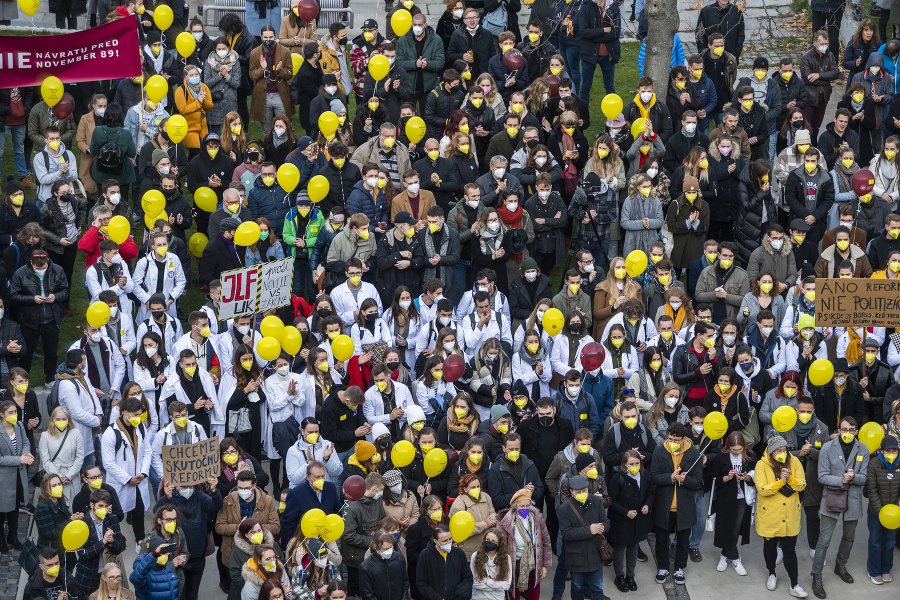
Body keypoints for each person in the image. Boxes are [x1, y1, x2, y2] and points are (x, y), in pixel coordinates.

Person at [810, 416, 868, 598]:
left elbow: (864, 478)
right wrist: (842, 480)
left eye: (851, 430)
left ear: (856, 431)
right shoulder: (827, 448)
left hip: (854, 499)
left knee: (849, 537)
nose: (847, 433)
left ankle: (840, 565)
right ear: (839, 430)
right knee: (824, 540)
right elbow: (822, 476)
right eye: (844, 429)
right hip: (832, 497)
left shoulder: (863, 449)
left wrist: (854, 477)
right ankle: (816, 576)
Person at [755, 434, 808, 597]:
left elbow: (802, 484)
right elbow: (762, 489)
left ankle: (794, 584)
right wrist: (780, 482)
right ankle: (772, 573)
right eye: (778, 450)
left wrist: (790, 479)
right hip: (770, 514)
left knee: (790, 550)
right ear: (771, 452)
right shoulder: (761, 465)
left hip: (790, 514)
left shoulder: (795, 461)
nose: (782, 452)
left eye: (784, 449)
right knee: (769, 547)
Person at [649, 422, 702, 585]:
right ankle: (663, 567)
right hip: (663, 505)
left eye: (676, 439)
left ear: (684, 439)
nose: (672, 442)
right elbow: (654, 476)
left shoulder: (694, 454)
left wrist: (685, 480)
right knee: (662, 539)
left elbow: (698, 482)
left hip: (684, 506)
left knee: (683, 541)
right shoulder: (659, 451)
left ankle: (680, 568)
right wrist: (670, 477)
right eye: (670, 438)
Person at [11, 250, 69, 387]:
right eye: (38, 268)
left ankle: (50, 378)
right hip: (29, 321)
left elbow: (65, 291)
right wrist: (32, 299)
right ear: (31, 262)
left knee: (51, 351)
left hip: (51, 318)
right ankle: (22, 381)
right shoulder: (20, 273)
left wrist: (56, 297)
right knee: (26, 353)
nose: (41, 269)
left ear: (47, 261)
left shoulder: (57, 270)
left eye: (43, 267)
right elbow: (13, 296)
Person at [72, 488, 125, 598]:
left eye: (106, 506)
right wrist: (103, 542)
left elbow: (119, 548)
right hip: (88, 575)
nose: (104, 509)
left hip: (108, 573)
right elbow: (83, 554)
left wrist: (112, 541)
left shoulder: (112, 519)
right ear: (92, 504)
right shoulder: (82, 524)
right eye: (100, 506)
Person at [342, 472, 386, 595]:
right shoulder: (352, 507)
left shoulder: (377, 500)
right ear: (374, 488)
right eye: (381, 489)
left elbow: (381, 520)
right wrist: (372, 542)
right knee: (356, 592)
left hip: (374, 553)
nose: (382, 492)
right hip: (356, 558)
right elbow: (348, 535)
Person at [866, 435, 900, 585]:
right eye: (888, 451)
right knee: (875, 541)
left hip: (894, 514)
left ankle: (886, 569)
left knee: (890, 542)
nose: (891, 454)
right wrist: (881, 511)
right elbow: (871, 490)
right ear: (881, 450)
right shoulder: (873, 464)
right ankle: (874, 571)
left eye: (895, 451)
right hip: (876, 512)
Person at [38, 406, 84, 504]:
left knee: (72, 506)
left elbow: (80, 458)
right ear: (53, 419)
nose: (61, 421)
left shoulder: (76, 433)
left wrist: (68, 476)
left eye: (64, 419)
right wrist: (58, 477)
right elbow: (45, 460)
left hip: (72, 475)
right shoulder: (45, 436)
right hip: (53, 476)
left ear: (68, 419)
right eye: (58, 419)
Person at [416, 523, 474, 600]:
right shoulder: (425, 555)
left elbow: (467, 578)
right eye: (444, 541)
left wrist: (459, 596)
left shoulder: (459, 553)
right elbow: (421, 582)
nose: (448, 543)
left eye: (450, 539)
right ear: (435, 541)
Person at [800, 31, 840, 139]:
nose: (825, 46)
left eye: (826, 44)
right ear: (814, 43)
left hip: (823, 97)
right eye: (822, 44)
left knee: (817, 125)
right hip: (810, 97)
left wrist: (819, 75)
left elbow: (836, 73)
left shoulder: (830, 55)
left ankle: (814, 145)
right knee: (806, 126)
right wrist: (827, 78)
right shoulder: (806, 58)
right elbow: (808, 79)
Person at [360, 530, 410, 600]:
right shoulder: (366, 567)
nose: (389, 551)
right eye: (385, 549)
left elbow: (405, 583)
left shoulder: (399, 558)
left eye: (391, 547)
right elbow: (367, 594)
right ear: (376, 547)